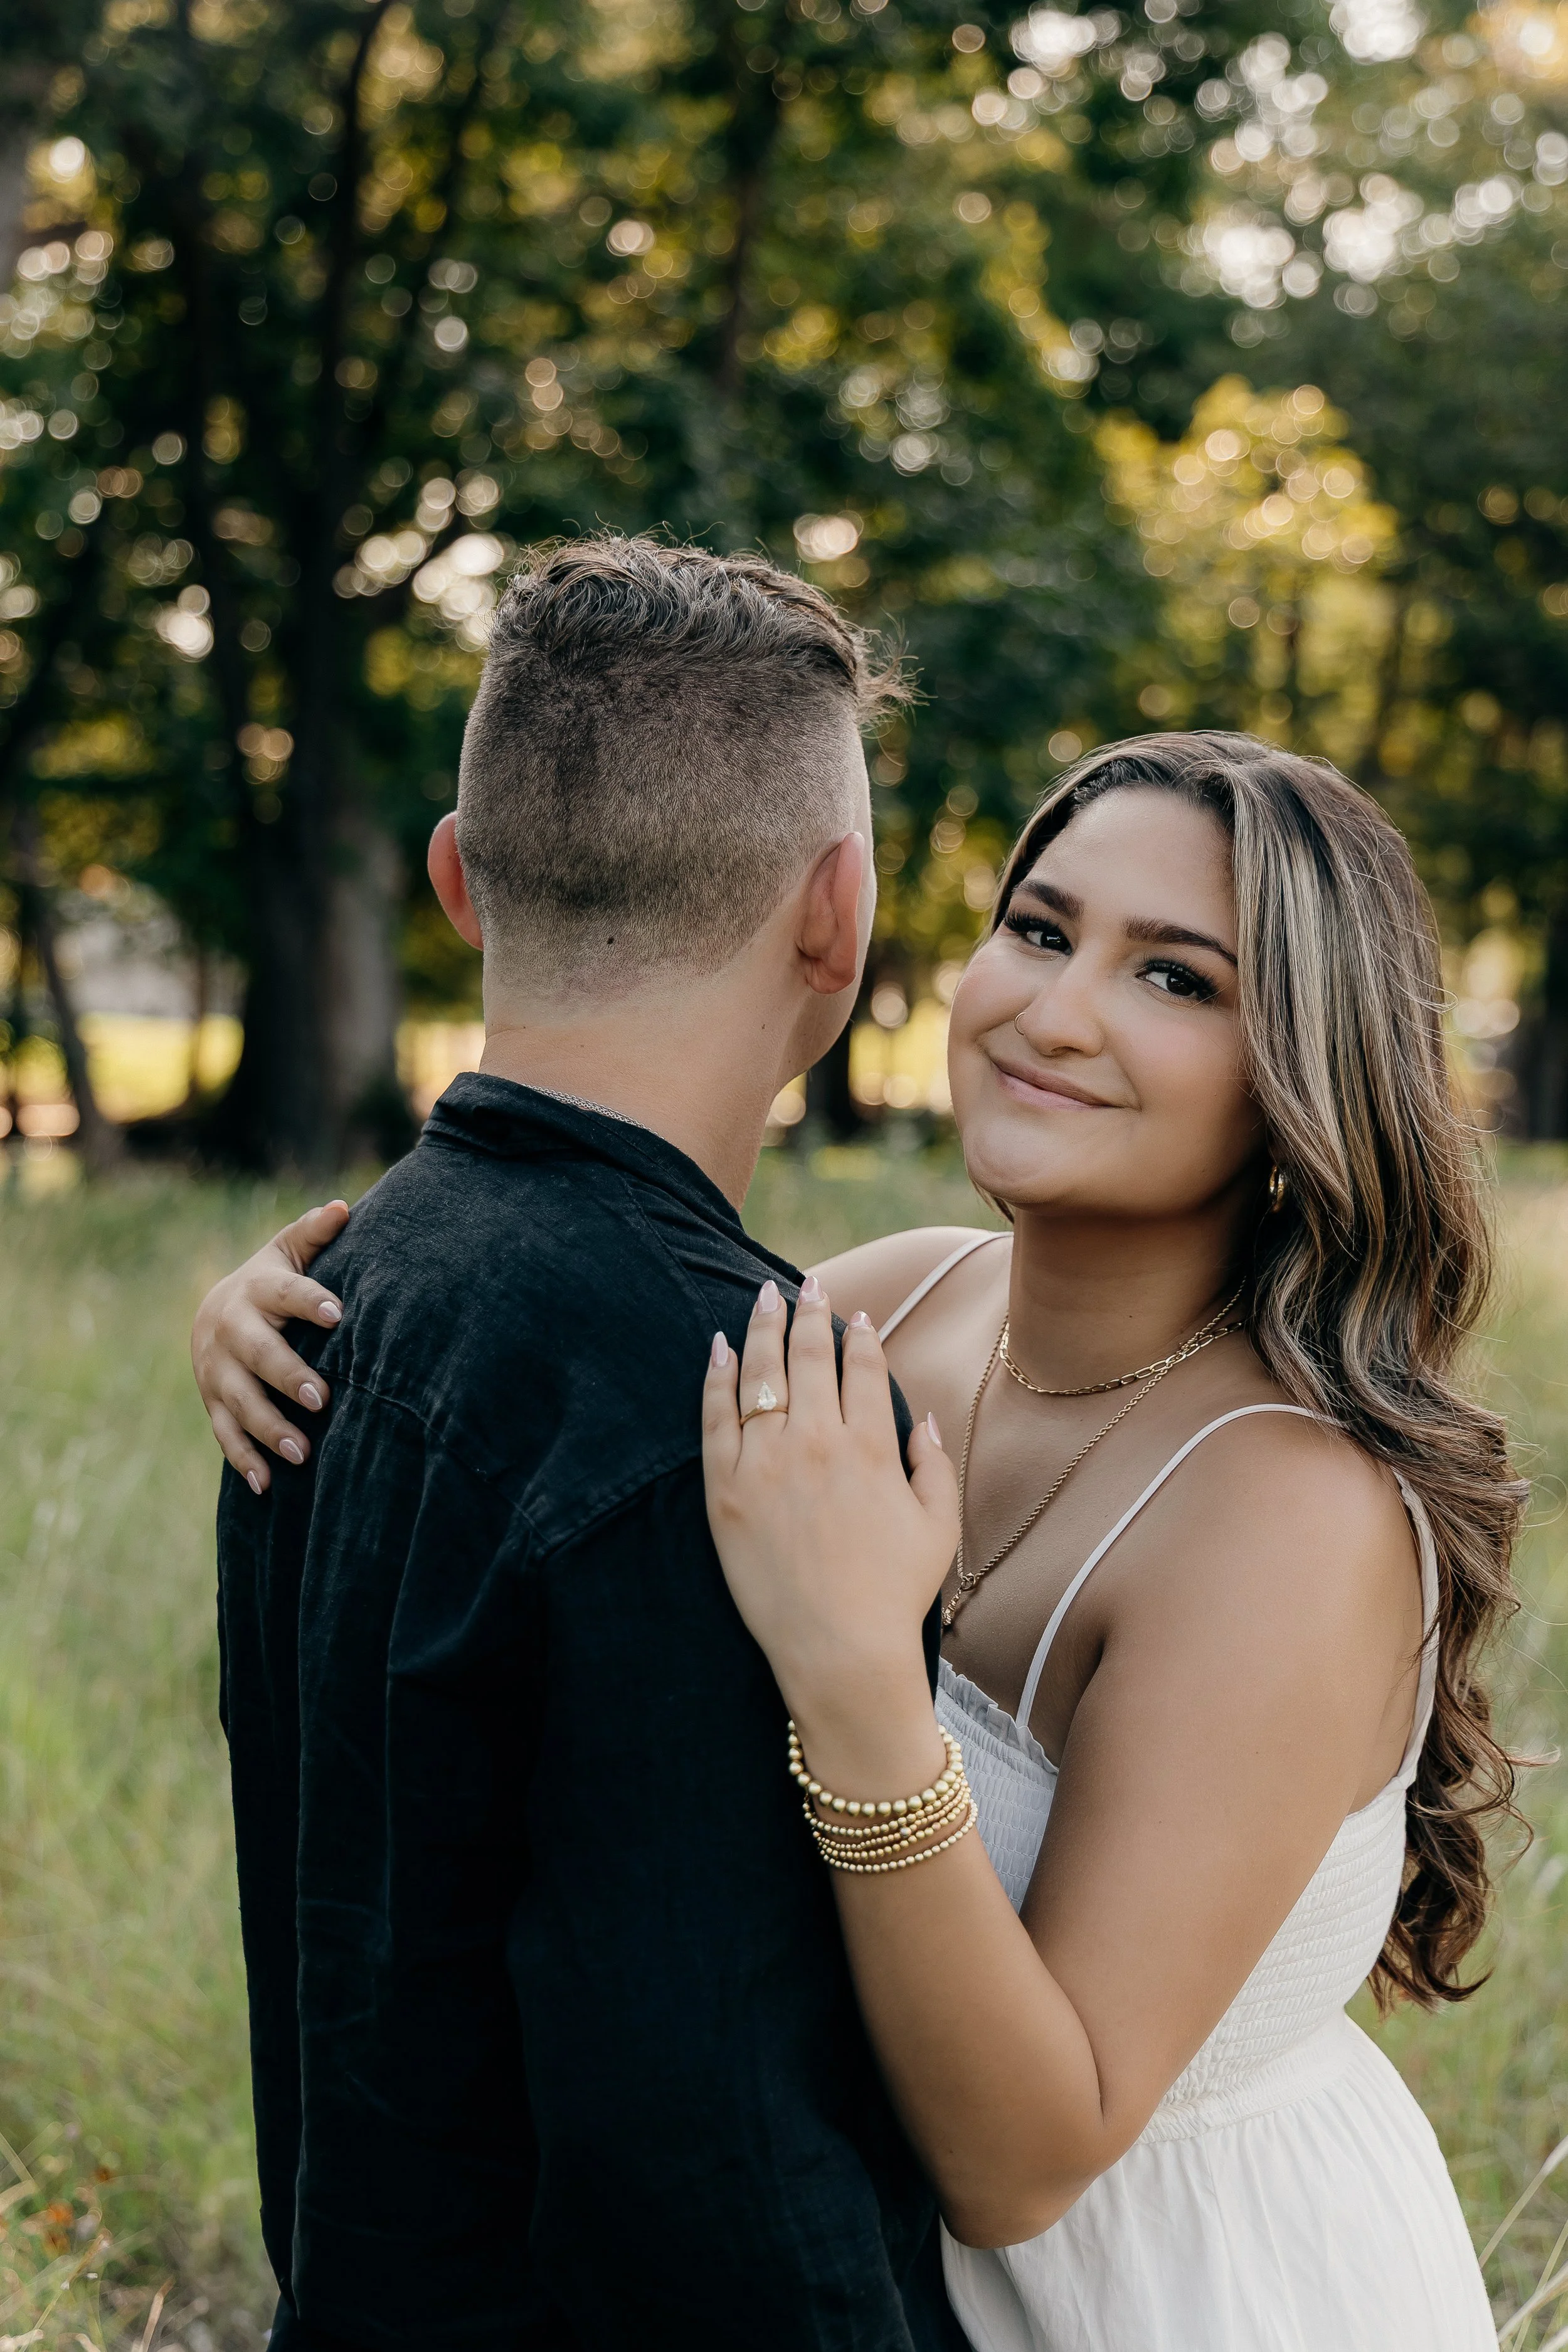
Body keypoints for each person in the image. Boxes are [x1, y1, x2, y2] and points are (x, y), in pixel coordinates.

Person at [203, 733, 1523, 2351]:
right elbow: (573, 1414)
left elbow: (1024, 2162)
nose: (1052, 1011)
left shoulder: (1293, 1518)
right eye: (1039, 930)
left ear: (1307, 1072)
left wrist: (858, 1689)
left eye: (1174, 980)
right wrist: (310, 1319)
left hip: (1156, 2285)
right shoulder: (890, 1301)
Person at [195, 536, 970, 2351]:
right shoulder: (752, 1416)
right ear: (835, 917)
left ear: (460, 881)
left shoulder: (334, 1291)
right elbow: (716, 2139)